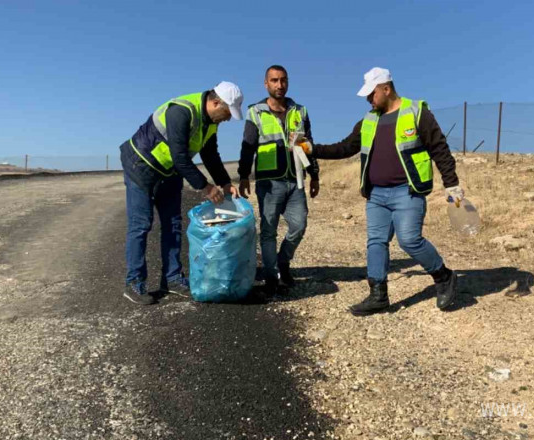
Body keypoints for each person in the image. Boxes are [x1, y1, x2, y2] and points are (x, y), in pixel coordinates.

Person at [298, 67, 464, 316]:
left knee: (409, 240)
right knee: (376, 243)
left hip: (407, 191)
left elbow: (439, 149)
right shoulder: (368, 120)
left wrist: (451, 184)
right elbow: (345, 147)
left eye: (371, 94)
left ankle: (444, 277)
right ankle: (378, 295)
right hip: (376, 194)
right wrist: (312, 149)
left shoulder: (417, 113)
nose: (368, 99)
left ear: (386, 89)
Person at [119, 82, 243, 305]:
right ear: (215, 103)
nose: (226, 119)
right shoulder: (182, 112)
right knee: (141, 224)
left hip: (168, 170)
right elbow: (180, 156)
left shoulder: (210, 123)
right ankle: (134, 282)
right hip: (141, 165)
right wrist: (206, 187)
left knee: (173, 223)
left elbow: (210, 155)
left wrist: (224, 183)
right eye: (226, 113)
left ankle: (173, 279)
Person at [238, 65, 320, 297]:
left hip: (296, 180)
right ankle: (272, 276)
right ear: (266, 84)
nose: (279, 85)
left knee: (299, 225)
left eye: (283, 80)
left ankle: (283, 263)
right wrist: (244, 176)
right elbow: (248, 147)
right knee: (268, 231)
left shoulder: (300, 111)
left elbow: (309, 145)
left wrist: (314, 175)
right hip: (268, 183)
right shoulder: (255, 112)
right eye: (274, 80)